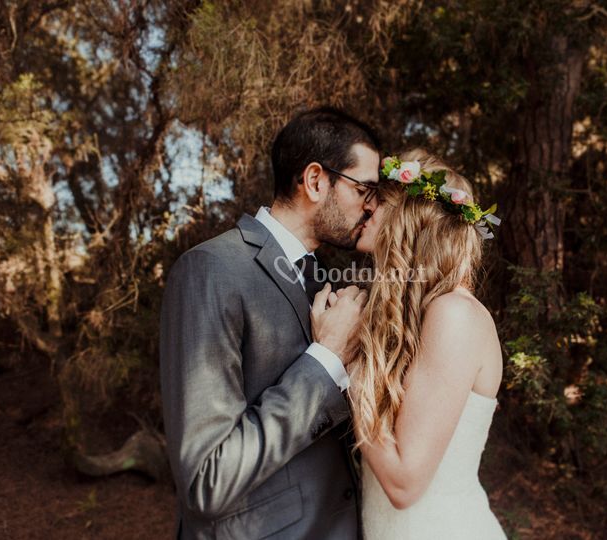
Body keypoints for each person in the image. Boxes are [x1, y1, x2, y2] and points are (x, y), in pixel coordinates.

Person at [159, 106, 380, 539]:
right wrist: (325, 360)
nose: (370, 207)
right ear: (316, 181)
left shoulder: (321, 279)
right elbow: (208, 479)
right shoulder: (211, 270)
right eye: (363, 190)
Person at [316, 149, 506, 539]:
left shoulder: (455, 315)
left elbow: (404, 483)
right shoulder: (419, 318)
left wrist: (340, 359)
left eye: (380, 197)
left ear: (411, 214)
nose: (366, 203)